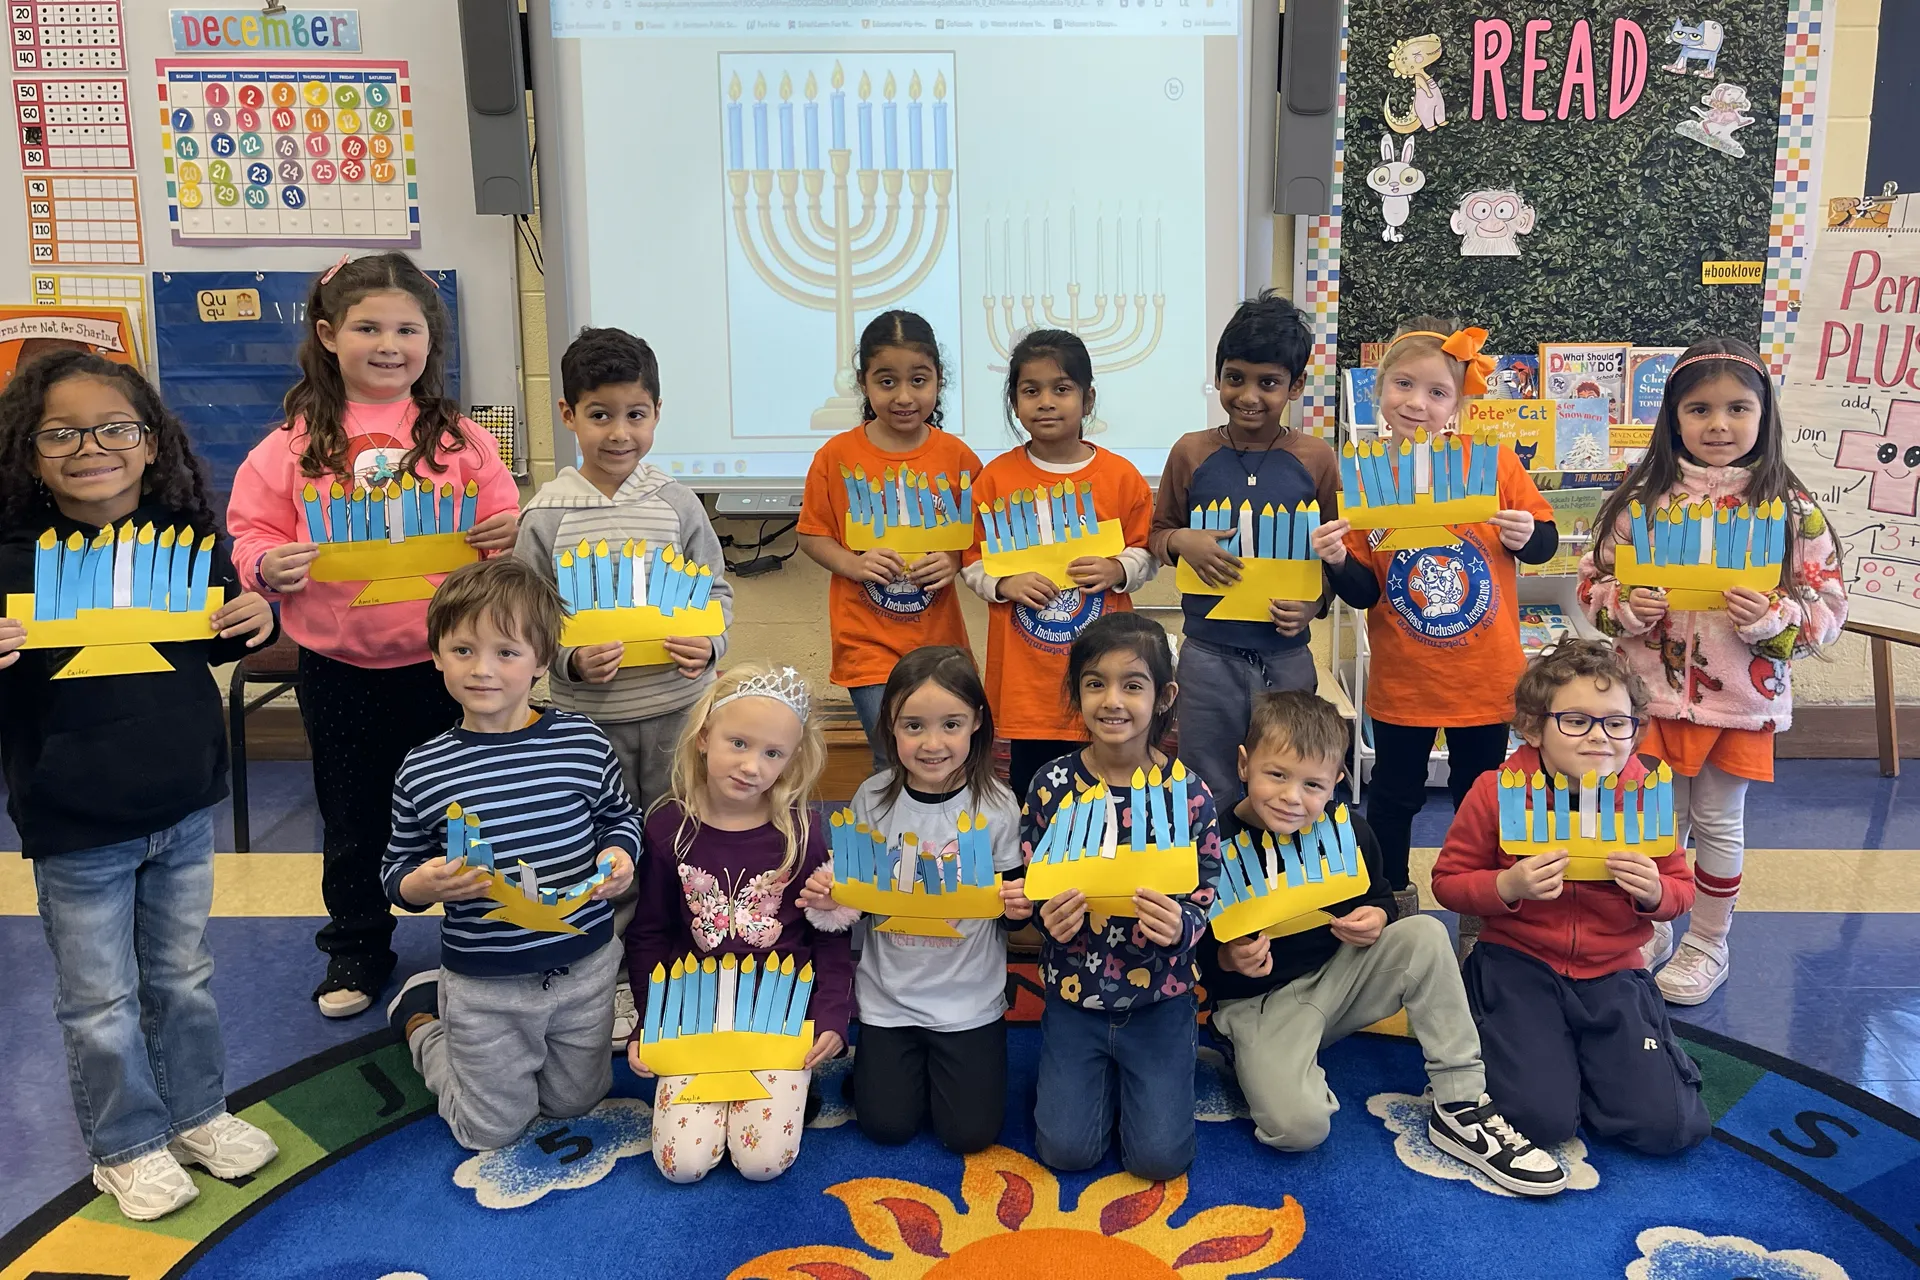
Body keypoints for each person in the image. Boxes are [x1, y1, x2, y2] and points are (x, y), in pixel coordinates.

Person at [0, 352, 280, 1220]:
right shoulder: (12, 553)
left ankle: (197, 1113)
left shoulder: (183, 533)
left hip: (183, 801)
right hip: (76, 821)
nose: (94, 447)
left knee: (183, 978)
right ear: (28, 449)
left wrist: (255, 618)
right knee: (99, 1000)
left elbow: (222, 631)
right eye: (63, 432)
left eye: (117, 427)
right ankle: (125, 1143)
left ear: (152, 443)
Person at [228, 252, 521, 1019]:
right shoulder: (292, 443)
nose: (388, 344)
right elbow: (250, 531)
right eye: (367, 327)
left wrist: (506, 528)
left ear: (431, 341)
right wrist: (263, 561)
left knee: (470, 802)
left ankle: (482, 927)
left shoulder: (457, 435)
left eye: (407, 328)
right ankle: (358, 941)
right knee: (353, 810)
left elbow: (503, 517)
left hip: (453, 668)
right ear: (328, 334)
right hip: (341, 667)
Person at [1199, 692, 1565, 1195]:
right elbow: (1189, 948)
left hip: (1340, 980)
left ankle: (1461, 1099)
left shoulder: (1348, 828)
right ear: (1244, 764)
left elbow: (1379, 898)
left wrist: (1377, 916)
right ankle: (1271, 1065)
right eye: (1276, 775)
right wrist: (1226, 957)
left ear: (1338, 783)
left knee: (1425, 934)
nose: (1291, 797)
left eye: (1312, 785)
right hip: (1257, 1004)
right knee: (1298, 1129)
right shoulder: (1210, 841)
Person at [1578, 337, 1846, 1004]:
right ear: (1672, 417)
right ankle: (1652, 925)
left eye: (1737, 408)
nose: (1718, 425)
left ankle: (1708, 943)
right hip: (1648, 700)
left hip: (1738, 704)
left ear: (1765, 415)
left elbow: (1830, 606)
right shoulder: (1641, 498)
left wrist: (1775, 618)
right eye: (1698, 409)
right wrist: (1625, 608)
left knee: (1720, 823)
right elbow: (1591, 586)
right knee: (1653, 825)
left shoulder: (1790, 505)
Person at [515, 326, 733, 1047]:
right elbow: (529, 613)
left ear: (658, 413)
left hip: (677, 714)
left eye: (635, 414)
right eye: (600, 414)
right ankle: (609, 977)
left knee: (681, 836)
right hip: (590, 723)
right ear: (568, 415)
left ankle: (687, 960)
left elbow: (717, 591)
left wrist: (710, 644)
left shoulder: (677, 504)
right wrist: (569, 664)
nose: (619, 432)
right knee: (601, 848)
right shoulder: (545, 513)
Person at [382, 558, 640, 1150]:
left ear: (542, 661)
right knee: (489, 1132)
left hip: (586, 968)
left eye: (506, 652)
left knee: (578, 1101)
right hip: (485, 982)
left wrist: (620, 857)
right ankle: (425, 1024)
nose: (483, 670)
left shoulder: (581, 739)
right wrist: (423, 885)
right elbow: (395, 871)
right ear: (436, 655)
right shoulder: (423, 768)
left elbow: (619, 817)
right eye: (463, 650)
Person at [1432, 640, 1710, 1155]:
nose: (1599, 737)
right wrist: (1505, 887)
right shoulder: (1497, 791)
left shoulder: (1645, 795)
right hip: (1519, 965)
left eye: (1616, 723)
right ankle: (1549, 1064)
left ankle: (1595, 1066)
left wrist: (1653, 894)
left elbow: (1681, 891)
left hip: (1614, 971)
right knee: (1534, 1121)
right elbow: (1448, 881)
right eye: (1576, 721)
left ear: (1634, 730)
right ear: (1535, 728)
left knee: (1671, 1127)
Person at [1319, 318, 1558, 908]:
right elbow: (1365, 593)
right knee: (1395, 795)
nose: (1417, 403)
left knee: (1480, 794)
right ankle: (1393, 894)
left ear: (1457, 403)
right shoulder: (1364, 478)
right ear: (1378, 391)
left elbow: (1546, 542)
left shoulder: (1493, 464)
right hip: (1406, 681)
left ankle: (1484, 898)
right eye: (1403, 385)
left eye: (1436, 392)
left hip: (1485, 678)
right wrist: (1332, 560)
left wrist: (1528, 534)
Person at [625, 663, 855, 1182]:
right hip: (695, 1015)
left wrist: (831, 1015)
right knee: (680, 1165)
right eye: (739, 743)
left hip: (777, 1019)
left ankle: (780, 1095)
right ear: (704, 737)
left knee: (761, 1163)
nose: (752, 765)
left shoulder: (801, 829)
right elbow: (650, 934)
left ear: (791, 759)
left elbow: (830, 931)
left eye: (772, 753)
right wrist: (650, 1020)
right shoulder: (667, 826)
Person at [797, 646, 1031, 1153]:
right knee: (886, 1126)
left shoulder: (997, 805)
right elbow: (846, 903)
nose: (932, 743)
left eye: (951, 724)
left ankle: (944, 1071)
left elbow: (1013, 913)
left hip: (968, 1003)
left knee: (970, 1135)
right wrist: (826, 895)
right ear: (890, 728)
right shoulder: (872, 797)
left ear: (976, 724)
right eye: (913, 726)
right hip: (890, 1001)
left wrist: (1019, 907)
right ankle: (888, 1072)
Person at [1015, 613, 1222, 1180]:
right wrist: (1043, 916)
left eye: (1133, 685)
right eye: (1095, 683)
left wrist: (1182, 923)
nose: (1113, 700)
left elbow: (1208, 892)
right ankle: (1092, 1075)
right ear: (1076, 692)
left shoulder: (1190, 794)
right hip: (1075, 996)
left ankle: (1140, 1073)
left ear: (1163, 697)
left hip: (1160, 999)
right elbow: (1036, 884)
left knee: (1159, 1160)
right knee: (1066, 1152)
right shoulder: (1051, 786)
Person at [1150, 291, 1372, 811]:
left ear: (1295, 385)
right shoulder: (1190, 451)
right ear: (1219, 374)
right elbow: (1158, 533)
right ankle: (1212, 888)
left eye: (1268, 383)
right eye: (1234, 378)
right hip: (1207, 656)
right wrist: (1182, 540)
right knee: (1207, 785)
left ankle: (1278, 887)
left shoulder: (1316, 458)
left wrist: (1314, 607)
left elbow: (1334, 555)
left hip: (1286, 656)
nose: (1248, 395)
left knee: (1287, 778)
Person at [962, 330, 1156, 800]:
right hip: (1029, 681)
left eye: (1061, 389)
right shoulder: (996, 480)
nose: (1046, 402)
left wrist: (1118, 569)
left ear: (1087, 399)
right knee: (1035, 792)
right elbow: (971, 562)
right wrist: (1004, 583)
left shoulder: (1120, 476)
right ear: (1014, 402)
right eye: (1031, 391)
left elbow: (1147, 551)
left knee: (1109, 791)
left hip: (1102, 676)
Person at [798, 311, 979, 768]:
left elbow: (981, 541)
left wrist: (955, 561)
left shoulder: (957, 458)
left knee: (946, 760)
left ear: (939, 380)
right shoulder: (836, 455)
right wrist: (853, 564)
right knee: (893, 759)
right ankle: (891, 842)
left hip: (939, 643)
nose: (903, 396)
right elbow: (812, 534)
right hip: (867, 645)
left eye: (919, 380)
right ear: (863, 383)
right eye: (886, 381)